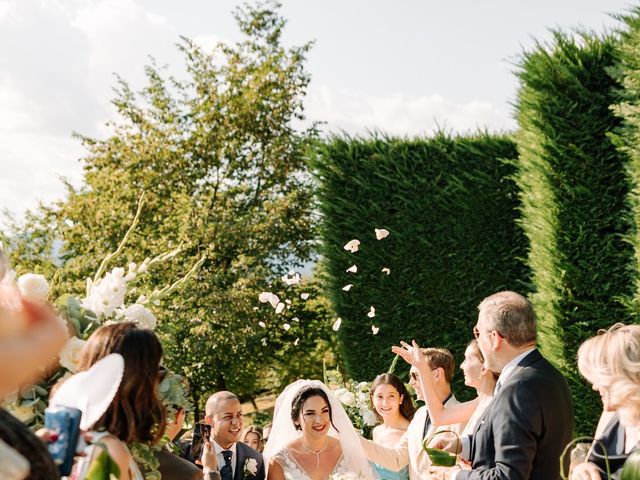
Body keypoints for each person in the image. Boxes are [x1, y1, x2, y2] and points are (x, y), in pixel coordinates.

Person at [436, 291, 574, 480]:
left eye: (478, 333)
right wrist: (462, 445)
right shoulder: (550, 373)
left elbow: (508, 476)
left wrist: (456, 475)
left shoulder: (518, 387)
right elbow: (517, 442)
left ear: (495, 338)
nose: (477, 341)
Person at [73, 322, 167, 480]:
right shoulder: (110, 451)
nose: (158, 383)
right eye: (156, 371)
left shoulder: (84, 440)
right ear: (139, 381)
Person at [360, 348, 466, 479]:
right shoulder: (420, 415)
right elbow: (397, 459)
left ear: (437, 374)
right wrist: (352, 437)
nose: (411, 382)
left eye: (415, 375)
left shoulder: (463, 417)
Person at [264, 380, 378, 479]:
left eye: (324, 411)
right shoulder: (280, 460)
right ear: (295, 419)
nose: (319, 420)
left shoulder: (348, 452)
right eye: (310, 413)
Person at [570, 323, 640, 480]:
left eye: (600, 378)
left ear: (624, 377)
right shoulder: (612, 413)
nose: (594, 386)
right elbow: (591, 463)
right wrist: (584, 469)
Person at [393, 340, 496, 440]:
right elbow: (438, 417)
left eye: (467, 359)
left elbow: (438, 417)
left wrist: (421, 367)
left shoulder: (495, 400)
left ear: (484, 367)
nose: (461, 366)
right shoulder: (478, 403)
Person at [199, 391, 265, 480]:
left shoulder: (256, 458)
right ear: (209, 421)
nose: (236, 422)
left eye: (239, 415)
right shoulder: (189, 455)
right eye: (228, 417)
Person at [370, 373, 416, 480]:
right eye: (380, 397)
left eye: (391, 396)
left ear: (400, 398)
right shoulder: (377, 431)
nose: (385, 403)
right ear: (372, 399)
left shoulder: (410, 431)